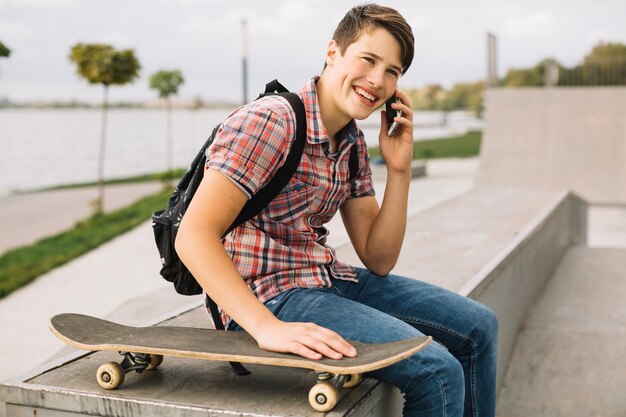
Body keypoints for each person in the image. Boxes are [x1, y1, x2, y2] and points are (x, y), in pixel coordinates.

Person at [176, 4, 498, 416]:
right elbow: (193, 235)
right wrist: (264, 327)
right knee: (436, 369)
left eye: (392, 71)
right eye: (368, 59)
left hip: (324, 278)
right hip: (267, 295)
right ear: (333, 52)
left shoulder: (350, 142)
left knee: (479, 328)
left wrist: (398, 170)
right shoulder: (270, 122)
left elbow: (378, 258)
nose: (377, 80)